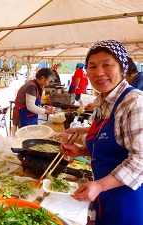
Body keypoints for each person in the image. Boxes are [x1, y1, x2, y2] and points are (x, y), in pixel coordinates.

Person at [60, 40, 143, 225]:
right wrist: (81, 151)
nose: (99, 72)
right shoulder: (102, 103)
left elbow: (140, 160)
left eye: (107, 64)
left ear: (122, 68)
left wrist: (100, 185)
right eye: (92, 66)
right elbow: (109, 145)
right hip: (101, 194)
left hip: (126, 197)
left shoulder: (134, 102)